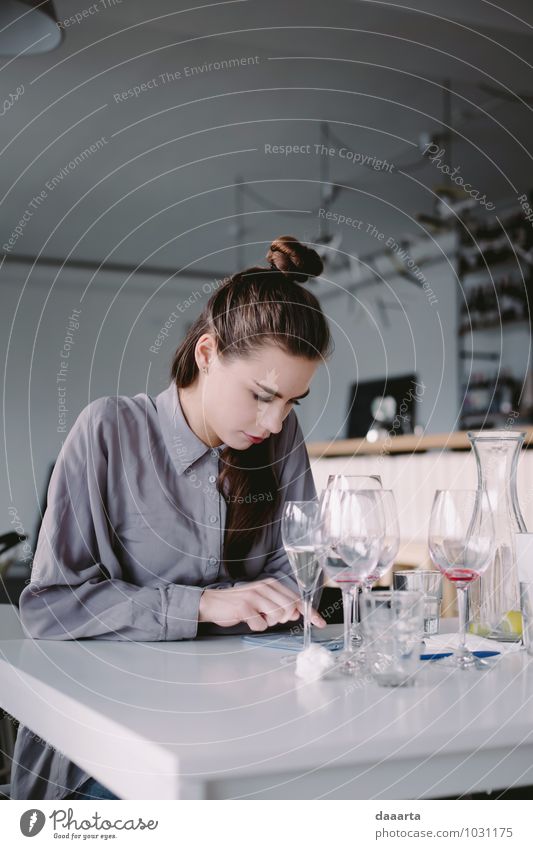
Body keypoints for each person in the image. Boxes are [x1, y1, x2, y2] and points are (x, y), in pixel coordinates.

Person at [10, 235, 334, 800]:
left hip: (247, 729)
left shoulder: (278, 441)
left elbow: (300, 575)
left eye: (292, 403)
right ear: (207, 354)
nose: (277, 422)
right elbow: (51, 606)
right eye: (262, 395)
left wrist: (261, 599)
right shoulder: (108, 430)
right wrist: (205, 604)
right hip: (112, 744)